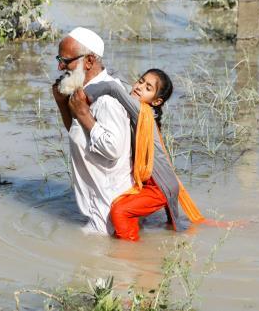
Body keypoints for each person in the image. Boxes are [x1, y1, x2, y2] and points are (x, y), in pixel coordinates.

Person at [84, 69, 209, 241]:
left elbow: (113, 87)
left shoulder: (142, 111)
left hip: (159, 186)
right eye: (140, 81)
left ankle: (129, 254)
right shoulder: (146, 111)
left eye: (148, 87)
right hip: (163, 182)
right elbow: (124, 86)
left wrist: (82, 96)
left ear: (156, 101)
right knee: (174, 230)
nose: (140, 87)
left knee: (120, 210)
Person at [52, 27, 133, 235]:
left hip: (108, 215)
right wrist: (63, 104)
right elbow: (80, 134)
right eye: (59, 59)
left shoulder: (107, 98)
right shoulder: (83, 92)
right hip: (96, 210)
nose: (60, 66)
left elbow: (113, 148)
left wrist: (85, 115)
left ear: (89, 61)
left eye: (66, 60)